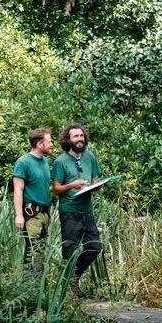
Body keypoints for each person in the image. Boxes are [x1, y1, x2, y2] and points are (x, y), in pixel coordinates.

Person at [52, 124, 102, 298]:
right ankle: (67, 291)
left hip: (87, 210)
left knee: (95, 246)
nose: (80, 139)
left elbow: (95, 181)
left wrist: (97, 186)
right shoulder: (60, 161)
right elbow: (56, 189)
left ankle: (75, 277)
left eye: (81, 136)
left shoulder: (90, 156)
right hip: (69, 211)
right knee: (69, 251)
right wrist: (73, 185)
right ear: (68, 140)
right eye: (75, 136)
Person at [12, 128, 54, 272]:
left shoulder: (45, 162)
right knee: (33, 250)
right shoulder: (23, 162)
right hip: (31, 214)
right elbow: (18, 190)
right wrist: (19, 215)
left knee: (40, 251)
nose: (52, 145)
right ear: (39, 144)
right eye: (49, 142)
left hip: (45, 213)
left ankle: (38, 287)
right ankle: (29, 286)